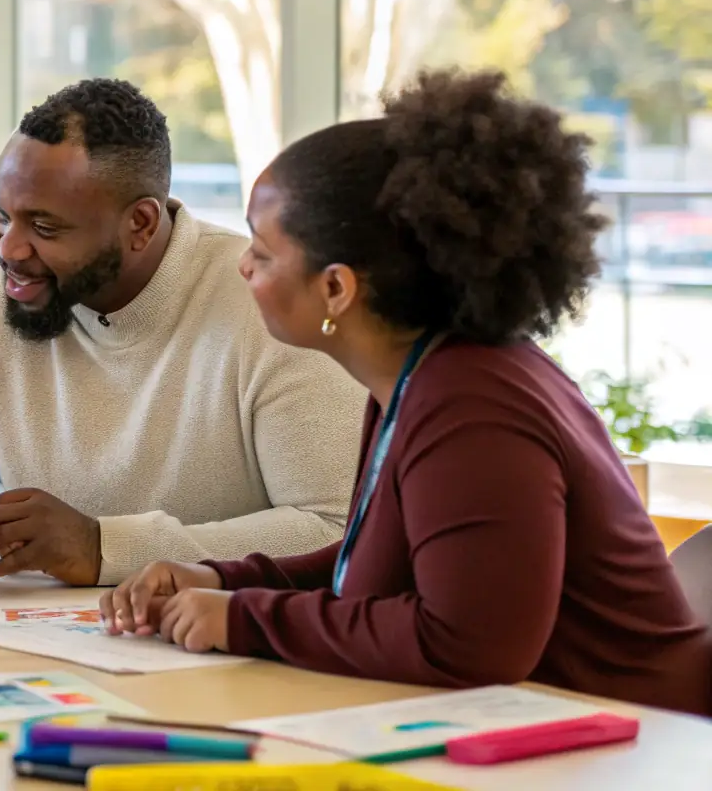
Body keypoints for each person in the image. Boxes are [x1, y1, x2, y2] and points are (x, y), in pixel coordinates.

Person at [106, 70, 712, 716]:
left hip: (641, 748)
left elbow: (467, 645)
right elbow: (390, 565)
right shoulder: (432, 374)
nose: (243, 266)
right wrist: (226, 580)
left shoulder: (473, 407)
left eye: (263, 250)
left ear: (336, 289)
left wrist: (242, 619)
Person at [0, 78, 367, 595]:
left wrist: (104, 547)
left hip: (241, 659)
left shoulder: (268, 303)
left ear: (141, 225)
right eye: (1, 215)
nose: (9, 249)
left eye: (45, 227)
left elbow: (339, 528)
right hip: (54, 656)